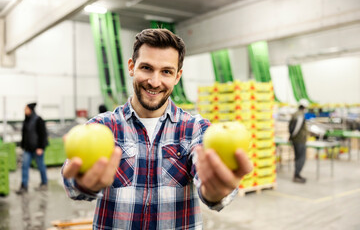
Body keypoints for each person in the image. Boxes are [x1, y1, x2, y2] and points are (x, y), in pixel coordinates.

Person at [62, 28, 253, 229]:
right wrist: (81, 183)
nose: (154, 81)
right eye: (146, 68)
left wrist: (215, 192)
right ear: (131, 67)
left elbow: (210, 182)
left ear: (177, 76)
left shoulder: (196, 130)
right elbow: (72, 185)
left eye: (166, 72)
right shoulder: (102, 127)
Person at [16, 103, 49, 194]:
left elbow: (43, 135)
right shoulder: (26, 120)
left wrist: (41, 147)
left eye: (26, 109)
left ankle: (44, 183)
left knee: (41, 166)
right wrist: (22, 146)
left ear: (30, 109)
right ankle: (24, 186)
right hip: (28, 149)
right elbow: (24, 135)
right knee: (24, 167)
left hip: (37, 149)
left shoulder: (38, 120)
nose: (24, 110)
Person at [288, 98, 309, 183]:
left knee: (297, 158)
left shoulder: (295, 114)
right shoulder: (300, 115)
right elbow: (296, 128)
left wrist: (291, 137)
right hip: (299, 140)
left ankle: (297, 174)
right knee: (301, 158)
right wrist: (292, 136)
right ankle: (296, 175)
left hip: (296, 140)